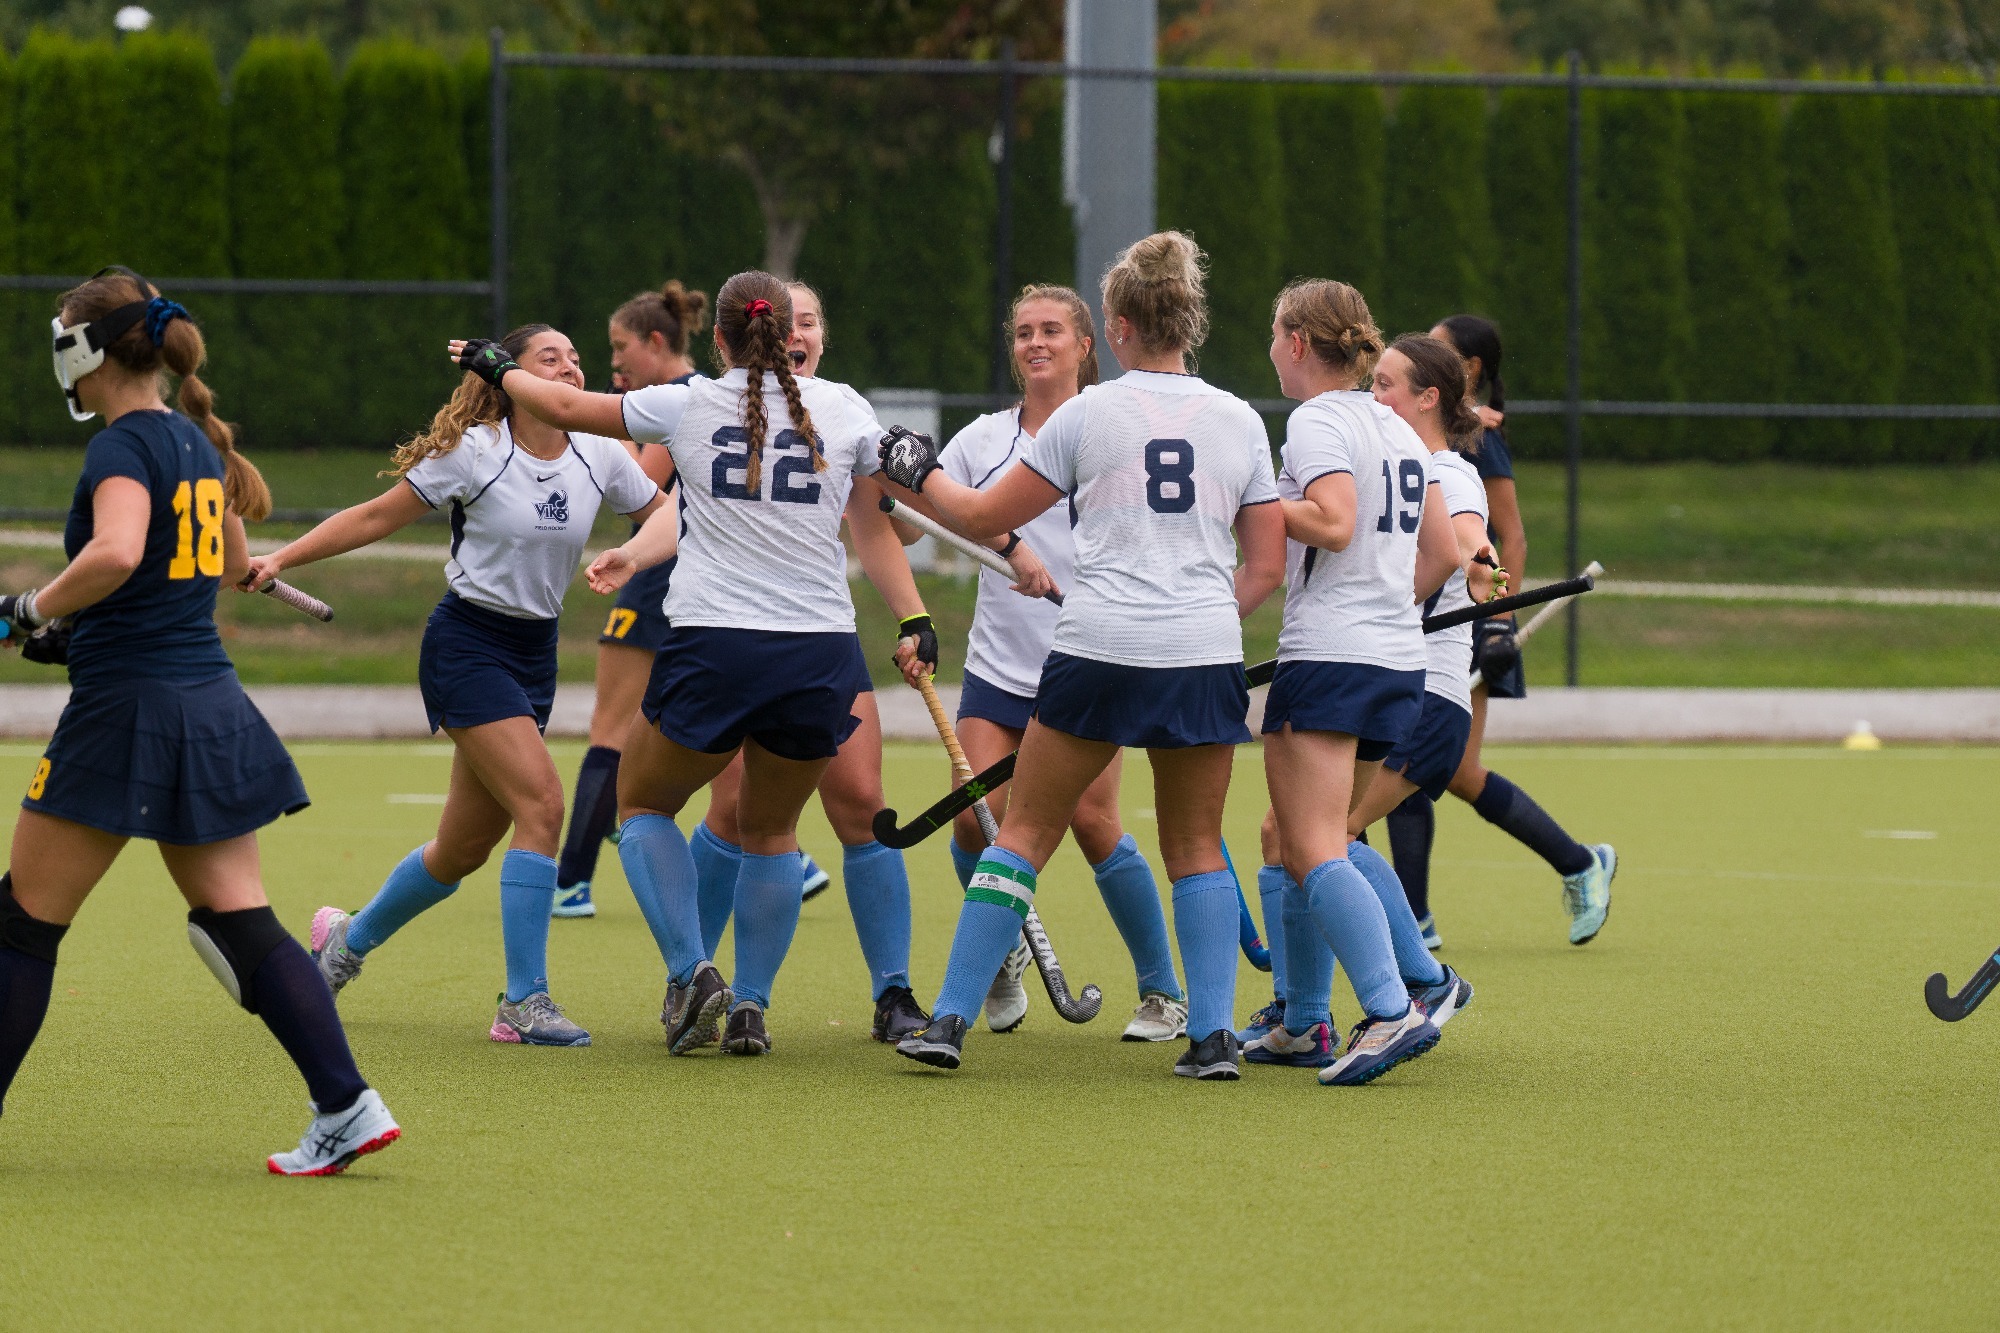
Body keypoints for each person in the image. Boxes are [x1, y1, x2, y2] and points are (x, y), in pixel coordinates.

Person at [459, 272, 922, 1059]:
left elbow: (567, 408)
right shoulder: (845, 408)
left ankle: (690, 969)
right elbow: (900, 503)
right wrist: (919, 609)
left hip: (718, 641)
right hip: (818, 648)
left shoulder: (692, 400)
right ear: (786, 334)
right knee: (773, 829)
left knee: (640, 802)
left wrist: (492, 366)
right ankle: (750, 1007)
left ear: (719, 340)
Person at [0, 268, 397, 1175]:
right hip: (208, 706)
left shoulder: (119, 449)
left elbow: (115, 551)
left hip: (127, 713)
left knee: (22, 923)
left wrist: (31, 609)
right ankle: (347, 1103)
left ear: (84, 353)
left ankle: (346, 1103)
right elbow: (224, 562)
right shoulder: (190, 439)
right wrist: (86, 621)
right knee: (240, 920)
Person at [879, 231, 1287, 1080]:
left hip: (1097, 643)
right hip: (1199, 651)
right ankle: (1211, 1037)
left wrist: (912, 468)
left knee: (1022, 832)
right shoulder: (1242, 418)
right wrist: (1205, 622)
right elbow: (1268, 567)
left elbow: (987, 515)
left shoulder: (1087, 414)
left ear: (1118, 325)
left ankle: (950, 1020)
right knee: (1197, 846)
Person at [253, 324, 665, 1047]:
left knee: (460, 848)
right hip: (467, 645)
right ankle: (523, 1002)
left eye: (575, 360)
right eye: (551, 359)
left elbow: (668, 516)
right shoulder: (476, 451)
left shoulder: (602, 451)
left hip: (534, 654)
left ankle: (343, 944)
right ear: (512, 377)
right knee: (543, 803)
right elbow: (375, 516)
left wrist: (632, 553)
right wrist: (281, 556)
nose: (570, 369)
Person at [687, 281, 953, 1044]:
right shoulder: (716, 410)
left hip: (814, 639)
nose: (795, 333)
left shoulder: (840, 412)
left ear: (822, 338)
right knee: (733, 810)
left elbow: (877, 530)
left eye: (809, 322)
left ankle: (894, 993)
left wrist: (914, 617)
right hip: (729, 636)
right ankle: (696, 980)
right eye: (785, 321)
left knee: (862, 801)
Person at [938, 283, 1189, 1043]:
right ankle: (1005, 952)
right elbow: (928, 504)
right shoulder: (982, 440)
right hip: (998, 668)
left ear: (1087, 344)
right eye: (1022, 332)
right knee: (974, 819)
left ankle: (1162, 991)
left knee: (1092, 819)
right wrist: (997, 542)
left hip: (1088, 659)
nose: (1035, 343)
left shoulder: (1113, 428)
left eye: (1052, 330)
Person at [1250, 283, 1472, 1087]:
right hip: (1393, 658)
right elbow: (1443, 551)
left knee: (1313, 844)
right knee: (1300, 834)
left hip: (1330, 651)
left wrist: (1255, 501)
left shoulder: (1317, 420)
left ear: (1301, 342)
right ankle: (1303, 1017)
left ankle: (1390, 1006)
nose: (1270, 348)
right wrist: (1385, 606)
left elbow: (1333, 520)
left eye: (1275, 333)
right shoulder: (1401, 429)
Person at [1409, 314, 1615, 948]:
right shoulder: (1421, 429)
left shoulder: (1478, 442)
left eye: (1437, 351)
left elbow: (1511, 536)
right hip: (1417, 615)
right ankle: (1580, 862)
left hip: (1467, 618)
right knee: (1451, 772)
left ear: (1467, 369)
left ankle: (1412, 921)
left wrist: (1498, 623)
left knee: (1415, 762)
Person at [552, 280, 751, 919]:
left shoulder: (680, 402)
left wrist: (590, 427)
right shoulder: (710, 397)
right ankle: (777, 853)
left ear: (657, 342)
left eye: (620, 350)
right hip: (707, 578)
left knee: (610, 728)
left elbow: (641, 484)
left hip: (664, 575)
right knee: (725, 726)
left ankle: (571, 880)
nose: (614, 368)